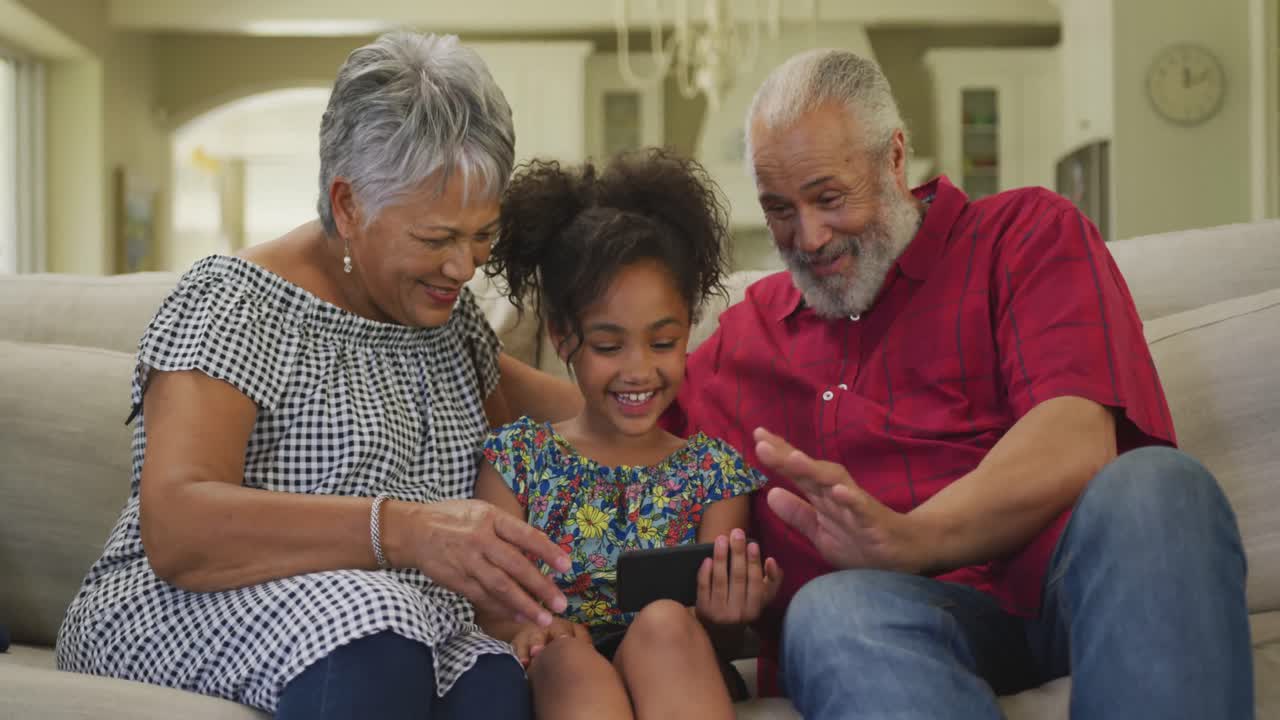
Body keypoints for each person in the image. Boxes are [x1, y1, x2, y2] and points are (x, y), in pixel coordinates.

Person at [509, 50, 1254, 719]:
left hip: (1066, 586)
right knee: (836, 608)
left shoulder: (1024, 234)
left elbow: (1076, 430)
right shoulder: (749, 334)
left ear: (895, 158)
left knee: (1160, 487)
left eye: (829, 198)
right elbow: (616, 405)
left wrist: (913, 537)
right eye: (778, 209)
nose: (808, 237)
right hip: (886, 622)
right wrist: (473, 353)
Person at [55, 32, 575, 720]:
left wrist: (701, 422)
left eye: (482, 234)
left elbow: (580, 425)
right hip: (179, 606)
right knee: (378, 627)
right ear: (349, 204)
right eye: (437, 238)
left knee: (491, 679)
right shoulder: (236, 304)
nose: (465, 267)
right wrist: (405, 531)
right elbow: (178, 527)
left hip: (397, 617)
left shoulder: (446, 324)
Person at [475, 149, 782, 720]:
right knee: (566, 656)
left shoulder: (713, 471)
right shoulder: (517, 459)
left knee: (666, 617)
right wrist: (535, 631)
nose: (639, 370)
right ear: (564, 335)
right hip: (563, 674)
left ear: (689, 326)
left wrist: (724, 616)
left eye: (663, 343)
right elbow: (491, 610)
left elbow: (718, 645)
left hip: (677, 663)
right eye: (610, 346)